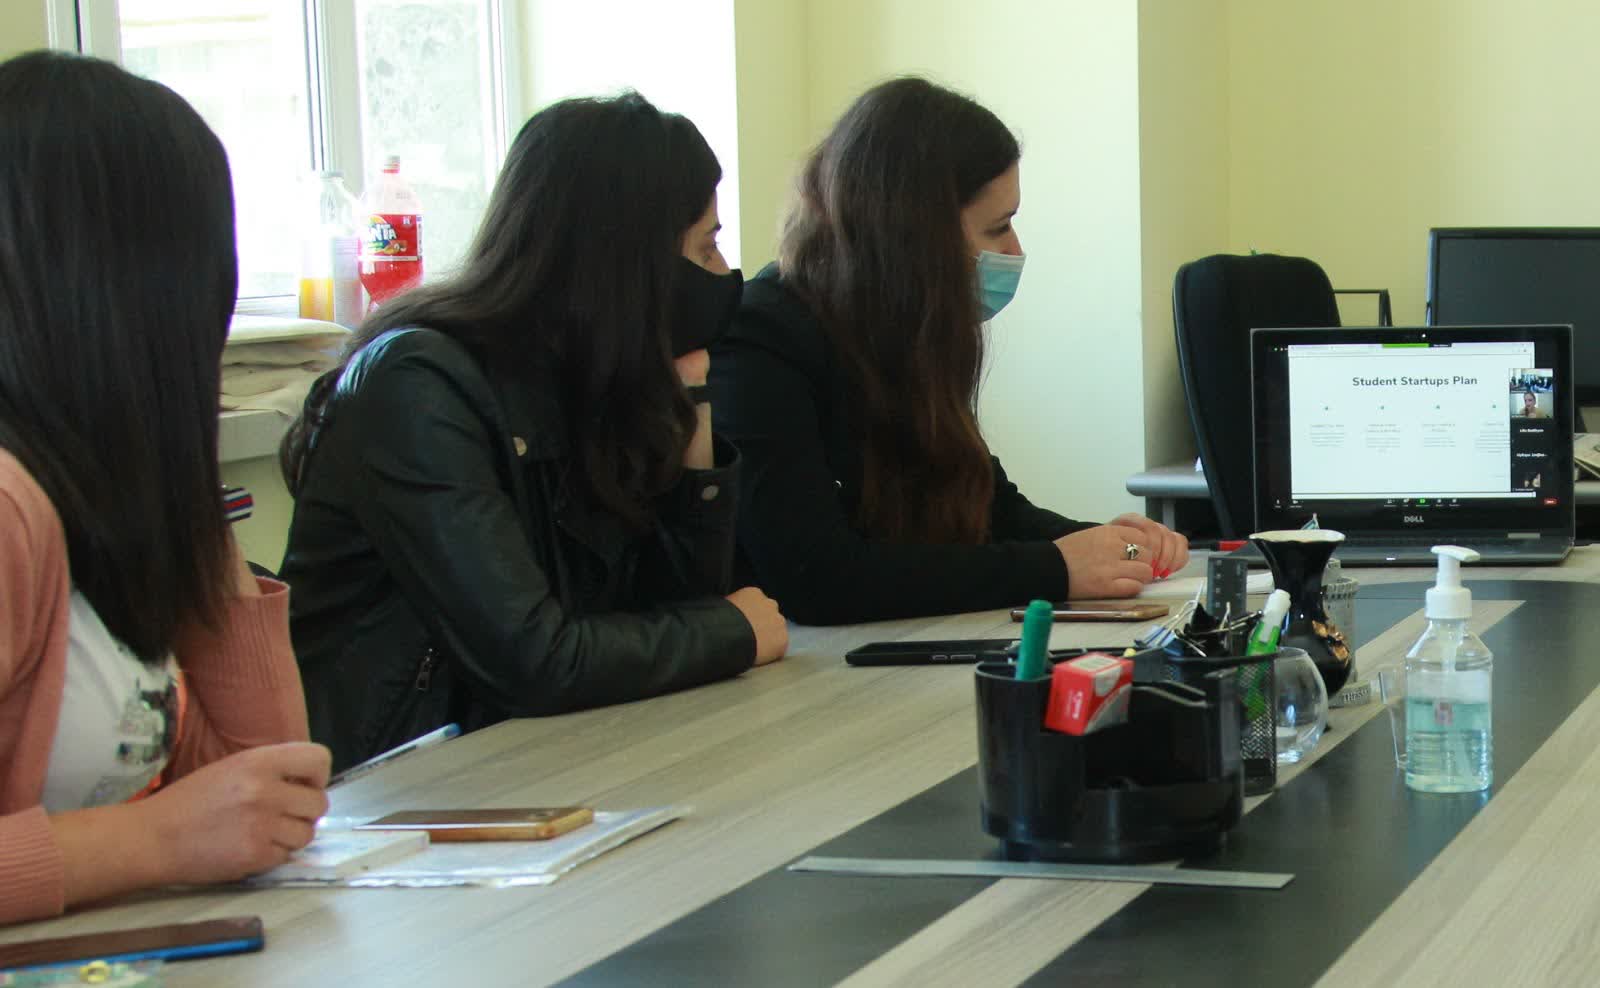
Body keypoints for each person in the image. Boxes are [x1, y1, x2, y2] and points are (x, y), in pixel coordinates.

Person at [279, 93, 788, 773]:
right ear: (627, 263)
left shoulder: (591, 382)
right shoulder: (418, 386)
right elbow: (535, 657)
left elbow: (672, 608)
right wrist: (733, 633)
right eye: (706, 246)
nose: (725, 274)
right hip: (392, 790)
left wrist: (691, 404)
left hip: (541, 758)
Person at [0, 51, 328, 926]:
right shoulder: (6, 508)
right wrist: (154, 842)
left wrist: (184, 484)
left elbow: (269, 794)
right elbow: (198, 827)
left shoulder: (83, 490)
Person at [709, 77, 1189, 625]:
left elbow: (993, 507)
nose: (1015, 250)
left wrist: (1106, 545)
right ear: (916, 238)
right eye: (998, 227)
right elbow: (816, 578)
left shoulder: (911, 336)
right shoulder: (758, 341)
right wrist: (1055, 567)